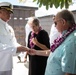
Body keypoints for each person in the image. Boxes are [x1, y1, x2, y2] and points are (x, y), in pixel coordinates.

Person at [28, 10, 76, 75]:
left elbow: (69, 73)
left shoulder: (72, 41)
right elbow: (53, 53)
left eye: (55, 23)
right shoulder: (65, 35)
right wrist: (36, 52)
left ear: (63, 22)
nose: (54, 26)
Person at [0, 2, 29, 75]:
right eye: (7, 12)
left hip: (8, 65)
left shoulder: (9, 28)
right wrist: (15, 49)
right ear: (0, 11)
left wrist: (23, 49)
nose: (9, 15)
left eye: (10, 13)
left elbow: (13, 43)